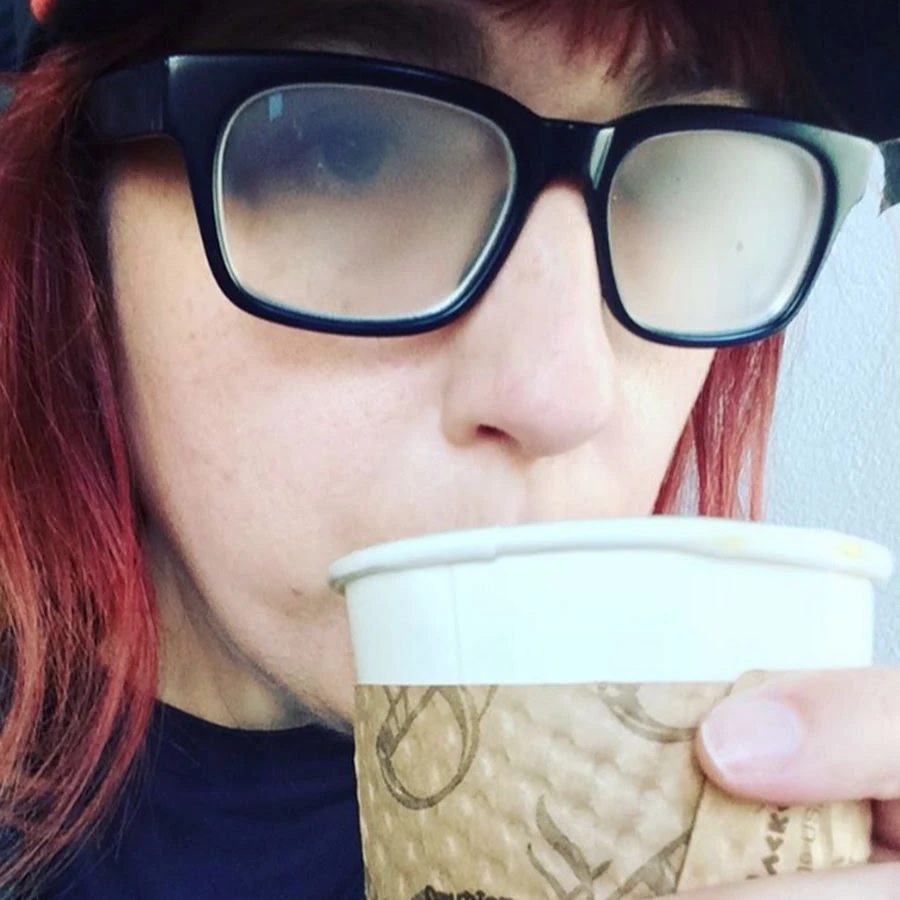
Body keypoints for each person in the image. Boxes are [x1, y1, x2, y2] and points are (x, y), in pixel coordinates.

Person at [0, 0, 895, 897]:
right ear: (78, 199)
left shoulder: (719, 824)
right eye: (348, 149)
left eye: (683, 184)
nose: (562, 397)